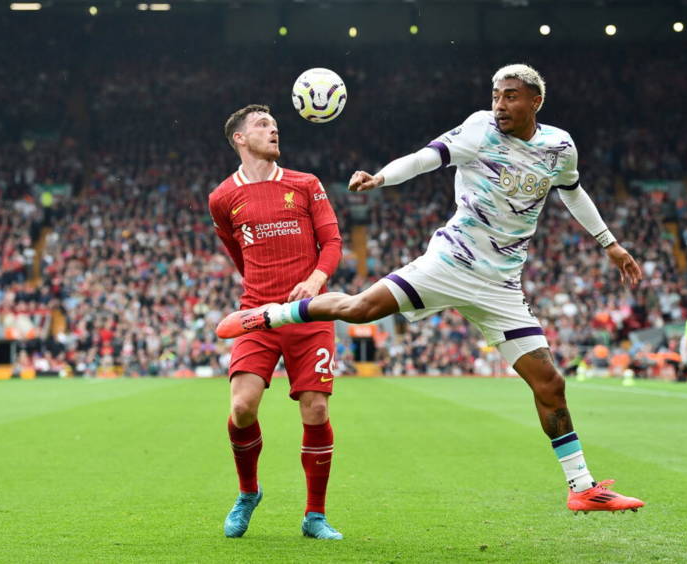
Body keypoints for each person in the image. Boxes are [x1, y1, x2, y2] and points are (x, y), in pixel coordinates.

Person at [218, 66, 645, 514]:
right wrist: (380, 178)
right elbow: (427, 157)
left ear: (535, 101)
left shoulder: (559, 147)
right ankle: (269, 315)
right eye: (496, 95)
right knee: (361, 308)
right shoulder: (479, 129)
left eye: (511, 97)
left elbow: (573, 192)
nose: (500, 104)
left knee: (550, 383)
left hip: (501, 284)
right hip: (450, 262)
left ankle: (582, 487)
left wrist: (609, 244)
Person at [209, 104, 344, 539]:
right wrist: (262, 297)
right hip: (257, 316)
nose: (273, 131)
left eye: (275, 126)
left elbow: (333, 242)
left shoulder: (306, 184)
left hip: (309, 314)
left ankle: (315, 515)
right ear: (239, 139)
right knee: (242, 407)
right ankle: (248, 492)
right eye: (263, 125)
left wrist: (315, 280)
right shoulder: (222, 197)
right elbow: (239, 257)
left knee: (316, 407)